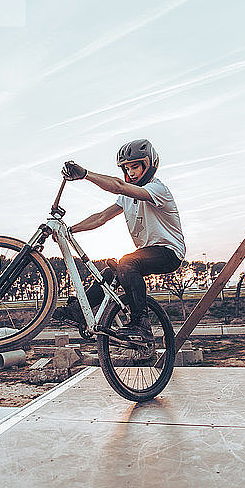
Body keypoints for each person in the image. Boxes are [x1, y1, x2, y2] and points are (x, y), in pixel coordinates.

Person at [53, 139, 186, 341]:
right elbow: (101, 217)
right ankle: (78, 311)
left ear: (149, 166)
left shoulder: (158, 190)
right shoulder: (126, 197)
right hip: (147, 251)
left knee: (127, 262)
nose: (131, 173)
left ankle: (141, 323)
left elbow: (118, 186)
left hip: (169, 252)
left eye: (135, 167)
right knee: (108, 274)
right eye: (127, 168)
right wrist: (70, 230)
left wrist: (85, 175)